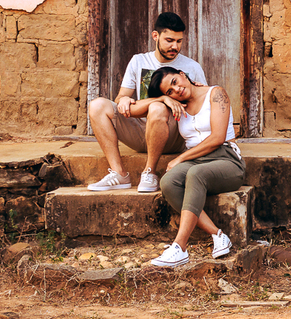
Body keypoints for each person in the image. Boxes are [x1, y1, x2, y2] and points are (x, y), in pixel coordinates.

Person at [87, 13, 206, 193]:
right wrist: (127, 99)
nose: (175, 46)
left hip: (175, 134)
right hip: (141, 132)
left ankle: (149, 172)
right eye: (169, 40)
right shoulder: (139, 61)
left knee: (157, 108)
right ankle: (119, 173)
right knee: (97, 105)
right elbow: (120, 99)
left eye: (179, 41)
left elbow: (203, 104)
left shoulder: (192, 67)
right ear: (155, 36)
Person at [144, 66, 245, 266]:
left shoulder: (216, 94)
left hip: (227, 159)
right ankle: (217, 234)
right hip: (197, 160)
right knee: (168, 182)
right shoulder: (178, 105)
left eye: (175, 82)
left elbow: (217, 138)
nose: (177, 90)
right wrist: (163, 100)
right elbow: (133, 109)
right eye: (170, 91)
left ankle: (180, 247)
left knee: (195, 174)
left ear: (182, 74)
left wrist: (180, 158)